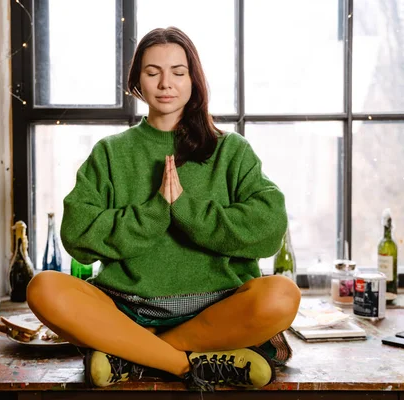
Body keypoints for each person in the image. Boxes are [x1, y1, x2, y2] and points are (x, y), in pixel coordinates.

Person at [27, 26, 301, 391]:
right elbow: (77, 234)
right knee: (43, 287)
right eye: (152, 72)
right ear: (137, 82)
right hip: (127, 309)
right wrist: (155, 212)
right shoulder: (110, 153)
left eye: (178, 72)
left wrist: (187, 210)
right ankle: (187, 363)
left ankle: (131, 355)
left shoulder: (231, 150)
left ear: (194, 80)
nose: (165, 83)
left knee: (282, 294)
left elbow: (269, 227)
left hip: (218, 309)